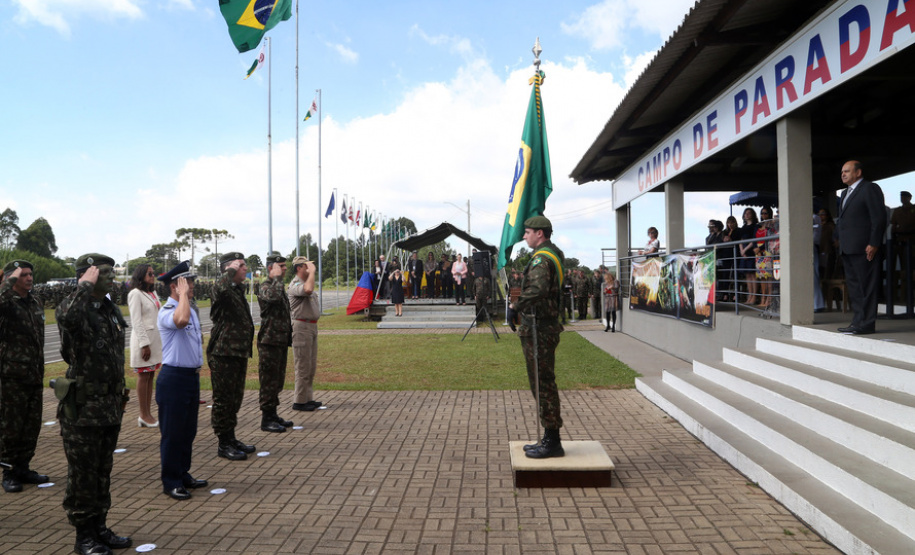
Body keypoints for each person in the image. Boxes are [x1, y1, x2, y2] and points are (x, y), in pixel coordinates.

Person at [56, 254, 132, 555]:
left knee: (102, 470)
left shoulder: (109, 309)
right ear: (86, 276)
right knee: (83, 474)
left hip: (108, 405)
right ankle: (83, 535)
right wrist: (82, 288)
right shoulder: (75, 305)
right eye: (103, 272)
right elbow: (67, 319)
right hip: (83, 407)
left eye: (111, 271)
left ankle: (100, 526)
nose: (111, 275)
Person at [507, 216, 566, 459]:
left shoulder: (542, 258)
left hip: (539, 328)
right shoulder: (552, 253)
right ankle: (549, 436)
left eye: (527, 232)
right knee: (542, 382)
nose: (524, 236)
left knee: (542, 383)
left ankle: (552, 441)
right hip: (542, 327)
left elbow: (539, 289)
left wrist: (516, 306)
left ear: (539, 234)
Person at [155, 261, 207, 501]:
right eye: (188, 283)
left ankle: (183, 473)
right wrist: (183, 296)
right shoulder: (168, 311)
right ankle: (171, 481)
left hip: (190, 377)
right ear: (175, 287)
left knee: (188, 432)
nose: (193, 286)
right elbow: (181, 321)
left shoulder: (190, 308)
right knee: (173, 433)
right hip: (173, 378)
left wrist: (185, 296)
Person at [0, 260, 49, 494]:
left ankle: (23, 467)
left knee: (31, 425)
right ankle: (9, 471)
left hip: (34, 373)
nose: (29, 278)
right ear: (11, 278)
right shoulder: (6, 301)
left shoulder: (35, 301)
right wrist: (6, 283)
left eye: (30, 274)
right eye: (23, 275)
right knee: (12, 426)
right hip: (11, 376)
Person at [207, 252, 256, 461]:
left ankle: (231, 436)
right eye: (241, 265)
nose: (245, 268)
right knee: (223, 399)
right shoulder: (223, 289)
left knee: (235, 397)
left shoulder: (236, 290)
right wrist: (230, 270)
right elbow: (218, 288)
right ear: (229, 269)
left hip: (237, 352)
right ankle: (223, 442)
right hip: (223, 352)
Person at [836, 160, 886, 334]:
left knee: (867, 286)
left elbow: (878, 218)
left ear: (858, 173)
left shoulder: (869, 188)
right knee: (855, 287)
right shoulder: (844, 193)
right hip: (848, 248)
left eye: (847, 171)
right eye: (842, 171)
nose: (843, 174)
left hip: (865, 247)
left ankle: (867, 323)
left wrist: (874, 242)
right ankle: (857, 322)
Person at [256, 255, 293, 432]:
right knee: (268, 381)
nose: (285, 269)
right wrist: (277, 278)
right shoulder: (265, 286)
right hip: (269, 341)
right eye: (281, 266)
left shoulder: (277, 286)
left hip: (279, 340)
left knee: (277, 380)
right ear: (272, 268)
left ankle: (272, 414)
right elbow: (274, 298)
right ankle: (266, 418)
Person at [127, 264, 162, 428]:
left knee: (150, 375)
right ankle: (143, 414)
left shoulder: (152, 292)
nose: (152, 275)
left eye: (153, 273)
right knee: (143, 376)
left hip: (154, 340)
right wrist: (144, 344)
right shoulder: (135, 294)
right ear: (141, 275)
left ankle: (148, 413)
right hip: (143, 342)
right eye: (149, 273)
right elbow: (136, 321)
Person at [289, 257, 323, 411]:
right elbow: (308, 290)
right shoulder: (296, 284)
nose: (310, 267)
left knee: (310, 366)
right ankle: (299, 401)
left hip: (310, 327)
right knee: (302, 366)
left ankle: (307, 398)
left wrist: (311, 273)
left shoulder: (305, 282)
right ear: (299, 268)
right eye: (307, 266)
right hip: (301, 327)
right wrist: (313, 273)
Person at [738, 208, 760, 304]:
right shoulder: (743, 227)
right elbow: (740, 240)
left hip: (751, 251)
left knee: (753, 275)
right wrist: (742, 251)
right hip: (744, 252)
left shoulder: (755, 226)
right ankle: (749, 295)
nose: (746, 215)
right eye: (745, 213)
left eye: (749, 213)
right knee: (747, 276)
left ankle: (754, 296)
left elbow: (754, 240)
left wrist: (746, 250)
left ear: (752, 215)